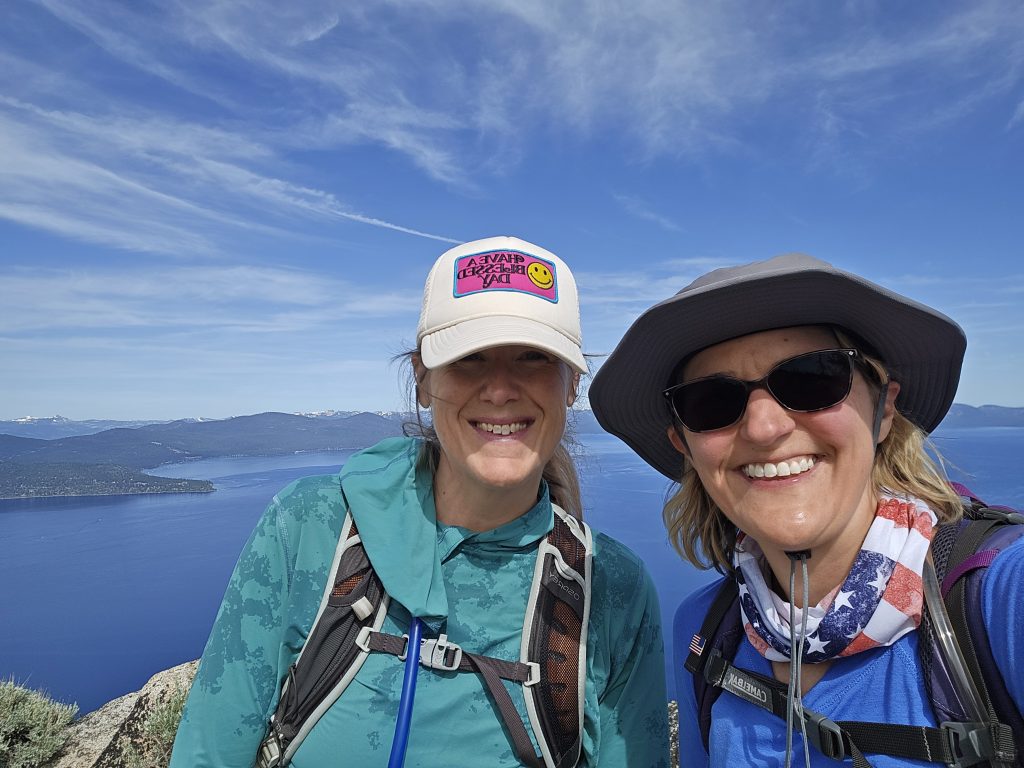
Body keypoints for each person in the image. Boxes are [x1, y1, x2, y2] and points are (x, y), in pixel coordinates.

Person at [169, 236, 669, 768]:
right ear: (422, 379)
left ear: (572, 385)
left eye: (533, 358)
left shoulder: (610, 584)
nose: (500, 389)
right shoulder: (309, 527)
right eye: (469, 358)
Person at [588, 253, 1024, 768]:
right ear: (685, 445)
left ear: (883, 408)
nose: (764, 428)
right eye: (711, 401)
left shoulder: (997, 600)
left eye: (813, 379)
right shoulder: (706, 631)